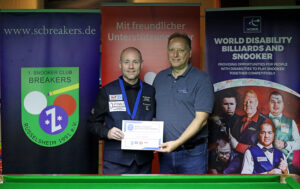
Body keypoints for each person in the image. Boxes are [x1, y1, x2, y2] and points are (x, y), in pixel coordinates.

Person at [153, 32, 214, 174]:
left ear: (189, 53)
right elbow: (154, 115)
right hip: (165, 153)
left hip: (193, 154)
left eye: (180, 50)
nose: (175, 54)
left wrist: (177, 143)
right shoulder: (160, 78)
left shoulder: (202, 79)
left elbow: (201, 120)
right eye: (171, 50)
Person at [87, 47, 156, 174]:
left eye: (135, 62)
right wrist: (107, 132)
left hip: (143, 162)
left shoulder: (150, 91)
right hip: (115, 163)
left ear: (141, 64)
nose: (131, 66)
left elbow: (156, 119)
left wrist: (156, 137)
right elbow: (92, 124)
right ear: (120, 64)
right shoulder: (107, 91)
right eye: (126, 62)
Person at [267, 91, 300, 172]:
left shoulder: (290, 122)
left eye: (278, 102)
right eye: (272, 102)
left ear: (283, 105)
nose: (275, 105)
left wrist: (285, 144)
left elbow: (299, 144)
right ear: (268, 104)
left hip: (286, 166)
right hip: (264, 165)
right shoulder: (261, 119)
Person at [230, 90, 268, 154]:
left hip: (253, 161)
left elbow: (264, 149)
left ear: (256, 103)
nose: (248, 104)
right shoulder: (238, 120)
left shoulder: (265, 121)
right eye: (245, 102)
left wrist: (238, 146)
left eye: (251, 102)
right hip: (235, 157)